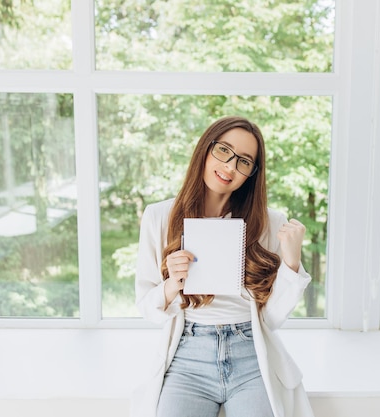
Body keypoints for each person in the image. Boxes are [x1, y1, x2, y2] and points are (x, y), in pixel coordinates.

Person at [131, 116, 314, 417]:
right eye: (224, 151)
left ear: (252, 174)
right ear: (206, 148)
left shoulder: (270, 223)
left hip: (251, 354)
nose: (230, 166)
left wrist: (291, 264)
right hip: (188, 355)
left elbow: (272, 318)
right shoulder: (159, 217)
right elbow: (148, 309)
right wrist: (172, 284)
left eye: (244, 161)